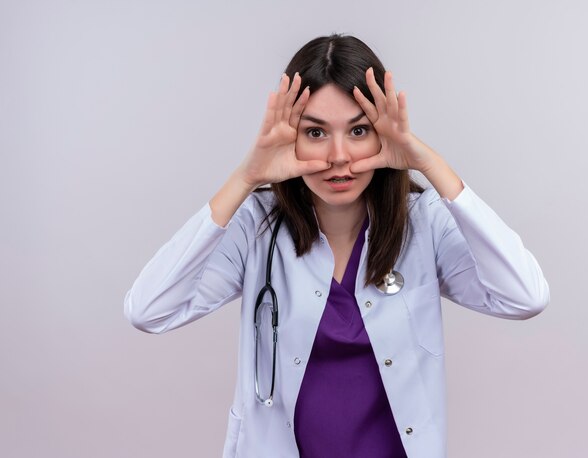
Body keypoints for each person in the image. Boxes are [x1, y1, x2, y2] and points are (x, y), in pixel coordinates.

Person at [124, 34, 549, 458]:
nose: (338, 156)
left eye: (359, 130)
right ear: (291, 138)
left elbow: (523, 296)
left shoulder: (423, 221)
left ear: (384, 135)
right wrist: (246, 178)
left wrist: (430, 165)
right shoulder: (257, 225)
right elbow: (149, 310)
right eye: (316, 132)